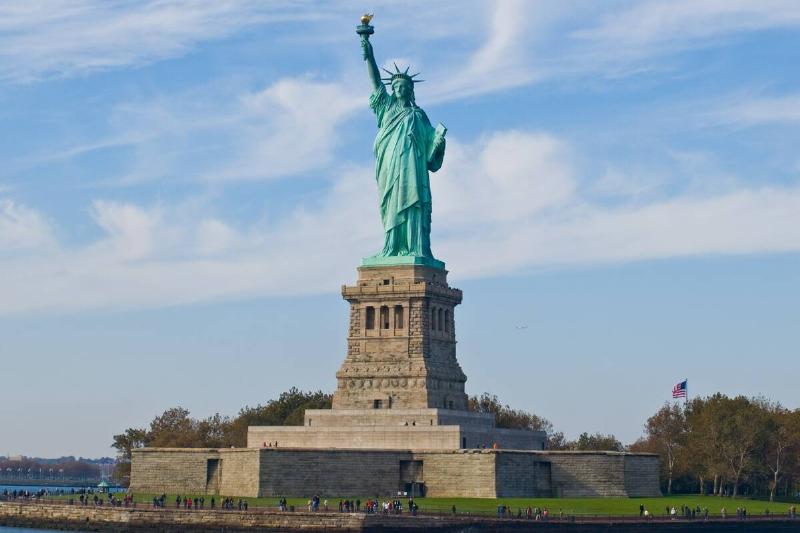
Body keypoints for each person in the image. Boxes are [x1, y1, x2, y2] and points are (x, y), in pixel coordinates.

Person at [359, 31, 446, 261]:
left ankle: (415, 247)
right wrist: (369, 54)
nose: (399, 88)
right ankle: (391, 247)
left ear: (410, 90)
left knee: (413, 203)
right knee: (390, 204)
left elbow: (431, 148)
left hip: (412, 168)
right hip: (390, 165)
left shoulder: (419, 115)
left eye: (404, 86)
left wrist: (438, 142)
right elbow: (375, 82)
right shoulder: (386, 107)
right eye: (396, 85)